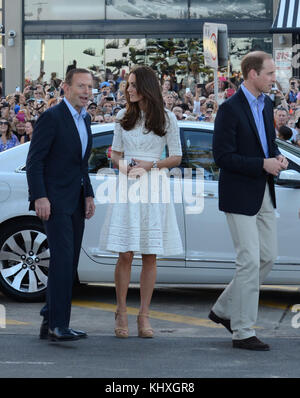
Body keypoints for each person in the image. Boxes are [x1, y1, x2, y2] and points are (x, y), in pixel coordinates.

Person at [210, 51, 288, 351]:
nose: (273, 79)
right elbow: (222, 157)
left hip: (264, 192)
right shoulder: (229, 109)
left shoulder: (266, 103)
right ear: (252, 74)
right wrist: (261, 165)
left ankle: (222, 309)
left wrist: (276, 156)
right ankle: (242, 331)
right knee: (249, 261)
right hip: (240, 194)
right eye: (269, 73)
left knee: (267, 256)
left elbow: (265, 145)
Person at [100, 65, 183, 339]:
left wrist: (151, 165)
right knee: (125, 252)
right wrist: (125, 168)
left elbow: (177, 157)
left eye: (134, 84)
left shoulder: (168, 118)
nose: (129, 89)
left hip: (154, 184)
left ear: (147, 86)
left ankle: (144, 315)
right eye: (128, 84)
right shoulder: (123, 116)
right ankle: (121, 311)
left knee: (150, 253)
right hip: (127, 186)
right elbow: (115, 155)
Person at [26, 68, 95, 342]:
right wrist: (39, 196)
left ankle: (49, 319)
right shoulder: (51, 117)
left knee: (68, 262)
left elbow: (81, 164)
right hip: (53, 202)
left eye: (90, 87)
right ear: (66, 88)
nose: (87, 92)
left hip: (76, 200)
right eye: (81, 86)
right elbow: (35, 161)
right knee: (63, 262)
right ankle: (58, 325)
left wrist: (88, 194)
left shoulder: (85, 119)